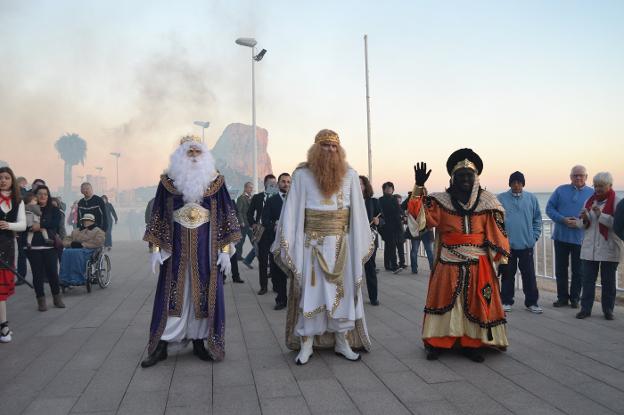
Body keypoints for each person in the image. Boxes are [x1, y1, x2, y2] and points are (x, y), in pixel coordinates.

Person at [272, 129, 374, 365]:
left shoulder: (350, 175)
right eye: (325, 145)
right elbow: (292, 213)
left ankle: (342, 341)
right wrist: (292, 247)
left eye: (334, 146)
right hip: (312, 247)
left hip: (341, 247)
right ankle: (306, 344)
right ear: (316, 148)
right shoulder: (301, 176)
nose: (330, 149)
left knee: (344, 295)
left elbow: (357, 214)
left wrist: (358, 242)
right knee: (311, 295)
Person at [141, 135, 241, 367]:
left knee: (204, 296)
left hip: (206, 252)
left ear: (205, 155)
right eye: (189, 152)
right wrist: (155, 248)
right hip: (175, 251)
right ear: (180, 155)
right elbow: (157, 216)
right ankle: (162, 345)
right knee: (171, 295)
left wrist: (225, 250)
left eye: (198, 152)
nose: (194, 156)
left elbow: (227, 216)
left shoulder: (216, 182)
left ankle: (199, 341)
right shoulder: (168, 182)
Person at [407, 149, 511, 362]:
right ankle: (436, 342)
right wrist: (418, 188)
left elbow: (498, 231)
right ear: (452, 178)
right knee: (443, 301)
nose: (465, 179)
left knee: (476, 302)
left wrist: (503, 259)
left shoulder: (489, 202)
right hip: (448, 261)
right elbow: (419, 222)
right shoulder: (439, 200)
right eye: (460, 175)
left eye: (469, 175)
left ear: (476, 178)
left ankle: (471, 343)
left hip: (478, 262)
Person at [575, 172, 622, 321]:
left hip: (609, 248)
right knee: (588, 280)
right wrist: (583, 219)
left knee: (608, 281)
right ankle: (585, 309)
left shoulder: (617, 202)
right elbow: (581, 225)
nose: (598, 189)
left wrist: (601, 215)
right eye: (595, 186)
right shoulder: (590, 201)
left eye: (601, 186)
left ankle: (608, 310)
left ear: (610, 186)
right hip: (590, 249)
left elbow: (619, 226)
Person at [546, 165, 594, 308]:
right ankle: (562, 298)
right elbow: (549, 208)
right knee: (561, 270)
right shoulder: (560, 190)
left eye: (581, 175)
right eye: (575, 175)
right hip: (561, 237)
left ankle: (575, 299)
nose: (578, 178)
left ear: (586, 176)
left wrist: (580, 222)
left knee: (578, 271)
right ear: (570, 177)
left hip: (581, 239)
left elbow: (595, 216)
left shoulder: (592, 194)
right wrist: (563, 219)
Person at [497, 171, 543, 314]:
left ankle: (532, 303)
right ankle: (506, 301)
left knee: (529, 275)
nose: (516, 185)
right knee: (507, 274)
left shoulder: (531, 198)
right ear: (510, 184)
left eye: (519, 182)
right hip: (507, 246)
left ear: (523, 183)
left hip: (526, 245)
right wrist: (500, 239)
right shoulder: (501, 198)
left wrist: (534, 237)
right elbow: (496, 221)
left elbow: (537, 219)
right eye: (513, 182)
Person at [25, 185, 65, 311]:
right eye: (40, 194)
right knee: (37, 275)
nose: (43, 196)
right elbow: (24, 224)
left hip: (49, 246)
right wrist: (32, 226)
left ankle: (56, 298)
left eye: (45, 194)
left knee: (53, 273)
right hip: (33, 247)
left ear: (48, 196)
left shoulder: (53, 210)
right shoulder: (28, 208)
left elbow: (55, 223)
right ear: (35, 195)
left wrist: (40, 225)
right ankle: (41, 301)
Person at [0, 167, 26, 343]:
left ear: (12, 180)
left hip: (7, 248)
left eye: (6, 177)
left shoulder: (18, 201)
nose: (3, 180)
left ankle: (3, 327)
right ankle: (4, 326)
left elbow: (23, 224)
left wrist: (9, 226)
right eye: (0, 177)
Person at [262, 173, 291, 310]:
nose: (286, 184)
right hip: (276, 242)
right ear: (278, 183)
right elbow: (265, 220)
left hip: (293, 242)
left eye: (288, 182)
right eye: (283, 181)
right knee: (277, 272)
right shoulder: (271, 200)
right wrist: (274, 225)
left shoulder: (296, 201)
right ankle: (281, 299)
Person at [247, 174, 277, 294]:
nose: (273, 186)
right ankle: (263, 286)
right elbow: (249, 213)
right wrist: (253, 223)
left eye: (275, 184)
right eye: (271, 184)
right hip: (261, 232)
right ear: (265, 184)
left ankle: (276, 286)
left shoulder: (278, 198)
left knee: (275, 260)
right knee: (263, 260)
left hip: (275, 232)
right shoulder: (257, 197)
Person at [59, 213, 106, 286]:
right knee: (65, 252)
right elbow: (66, 239)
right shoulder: (76, 230)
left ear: (93, 221)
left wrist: (82, 245)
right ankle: (64, 278)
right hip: (75, 249)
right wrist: (71, 244)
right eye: (85, 220)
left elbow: (98, 242)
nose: (86, 222)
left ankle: (77, 278)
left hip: (89, 250)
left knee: (77, 253)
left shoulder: (98, 231)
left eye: (88, 220)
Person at [361, 175, 382, 305]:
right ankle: (351, 297)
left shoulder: (373, 201)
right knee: (352, 269)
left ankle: (373, 297)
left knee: (370, 267)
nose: (358, 186)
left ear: (365, 186)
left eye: (361, 184)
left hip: (370, 238)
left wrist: (378, 221)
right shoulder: (348, 201)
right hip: (353, 239)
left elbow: (382, 218)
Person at [402, 193, 435, 275]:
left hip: (421, 229)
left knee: (422, 250)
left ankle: (428, 269)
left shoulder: (425, 200)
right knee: (422, 250)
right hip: (420, 229)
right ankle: (428, 269)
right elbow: (402, 207)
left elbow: (433, 213)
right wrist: (410, 197)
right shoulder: (415, 200)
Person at [379, 182, 405, 273]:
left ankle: (390, 265)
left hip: (395, 226)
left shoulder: (394, 199)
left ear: (393, 190)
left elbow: (399, 211)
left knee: (390, 246)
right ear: (384, 190)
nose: (389, 190)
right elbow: (380, 213)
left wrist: (403, 216)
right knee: (391, 246)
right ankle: (393, 265)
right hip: (386, 226)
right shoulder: (381, 200)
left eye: (390, 188)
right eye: (387, 188)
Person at [235, 182, 255, 263]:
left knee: (254, 240)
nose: (251, 189)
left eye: (252, 188)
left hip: (250, 223)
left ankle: (258, 255)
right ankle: (238, 256)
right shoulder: (241, 198)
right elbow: (239, 211)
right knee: (241, 241)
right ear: (245, 188)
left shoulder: (251, 198)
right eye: (250, 187)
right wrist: (241, 221)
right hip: (244, 223)